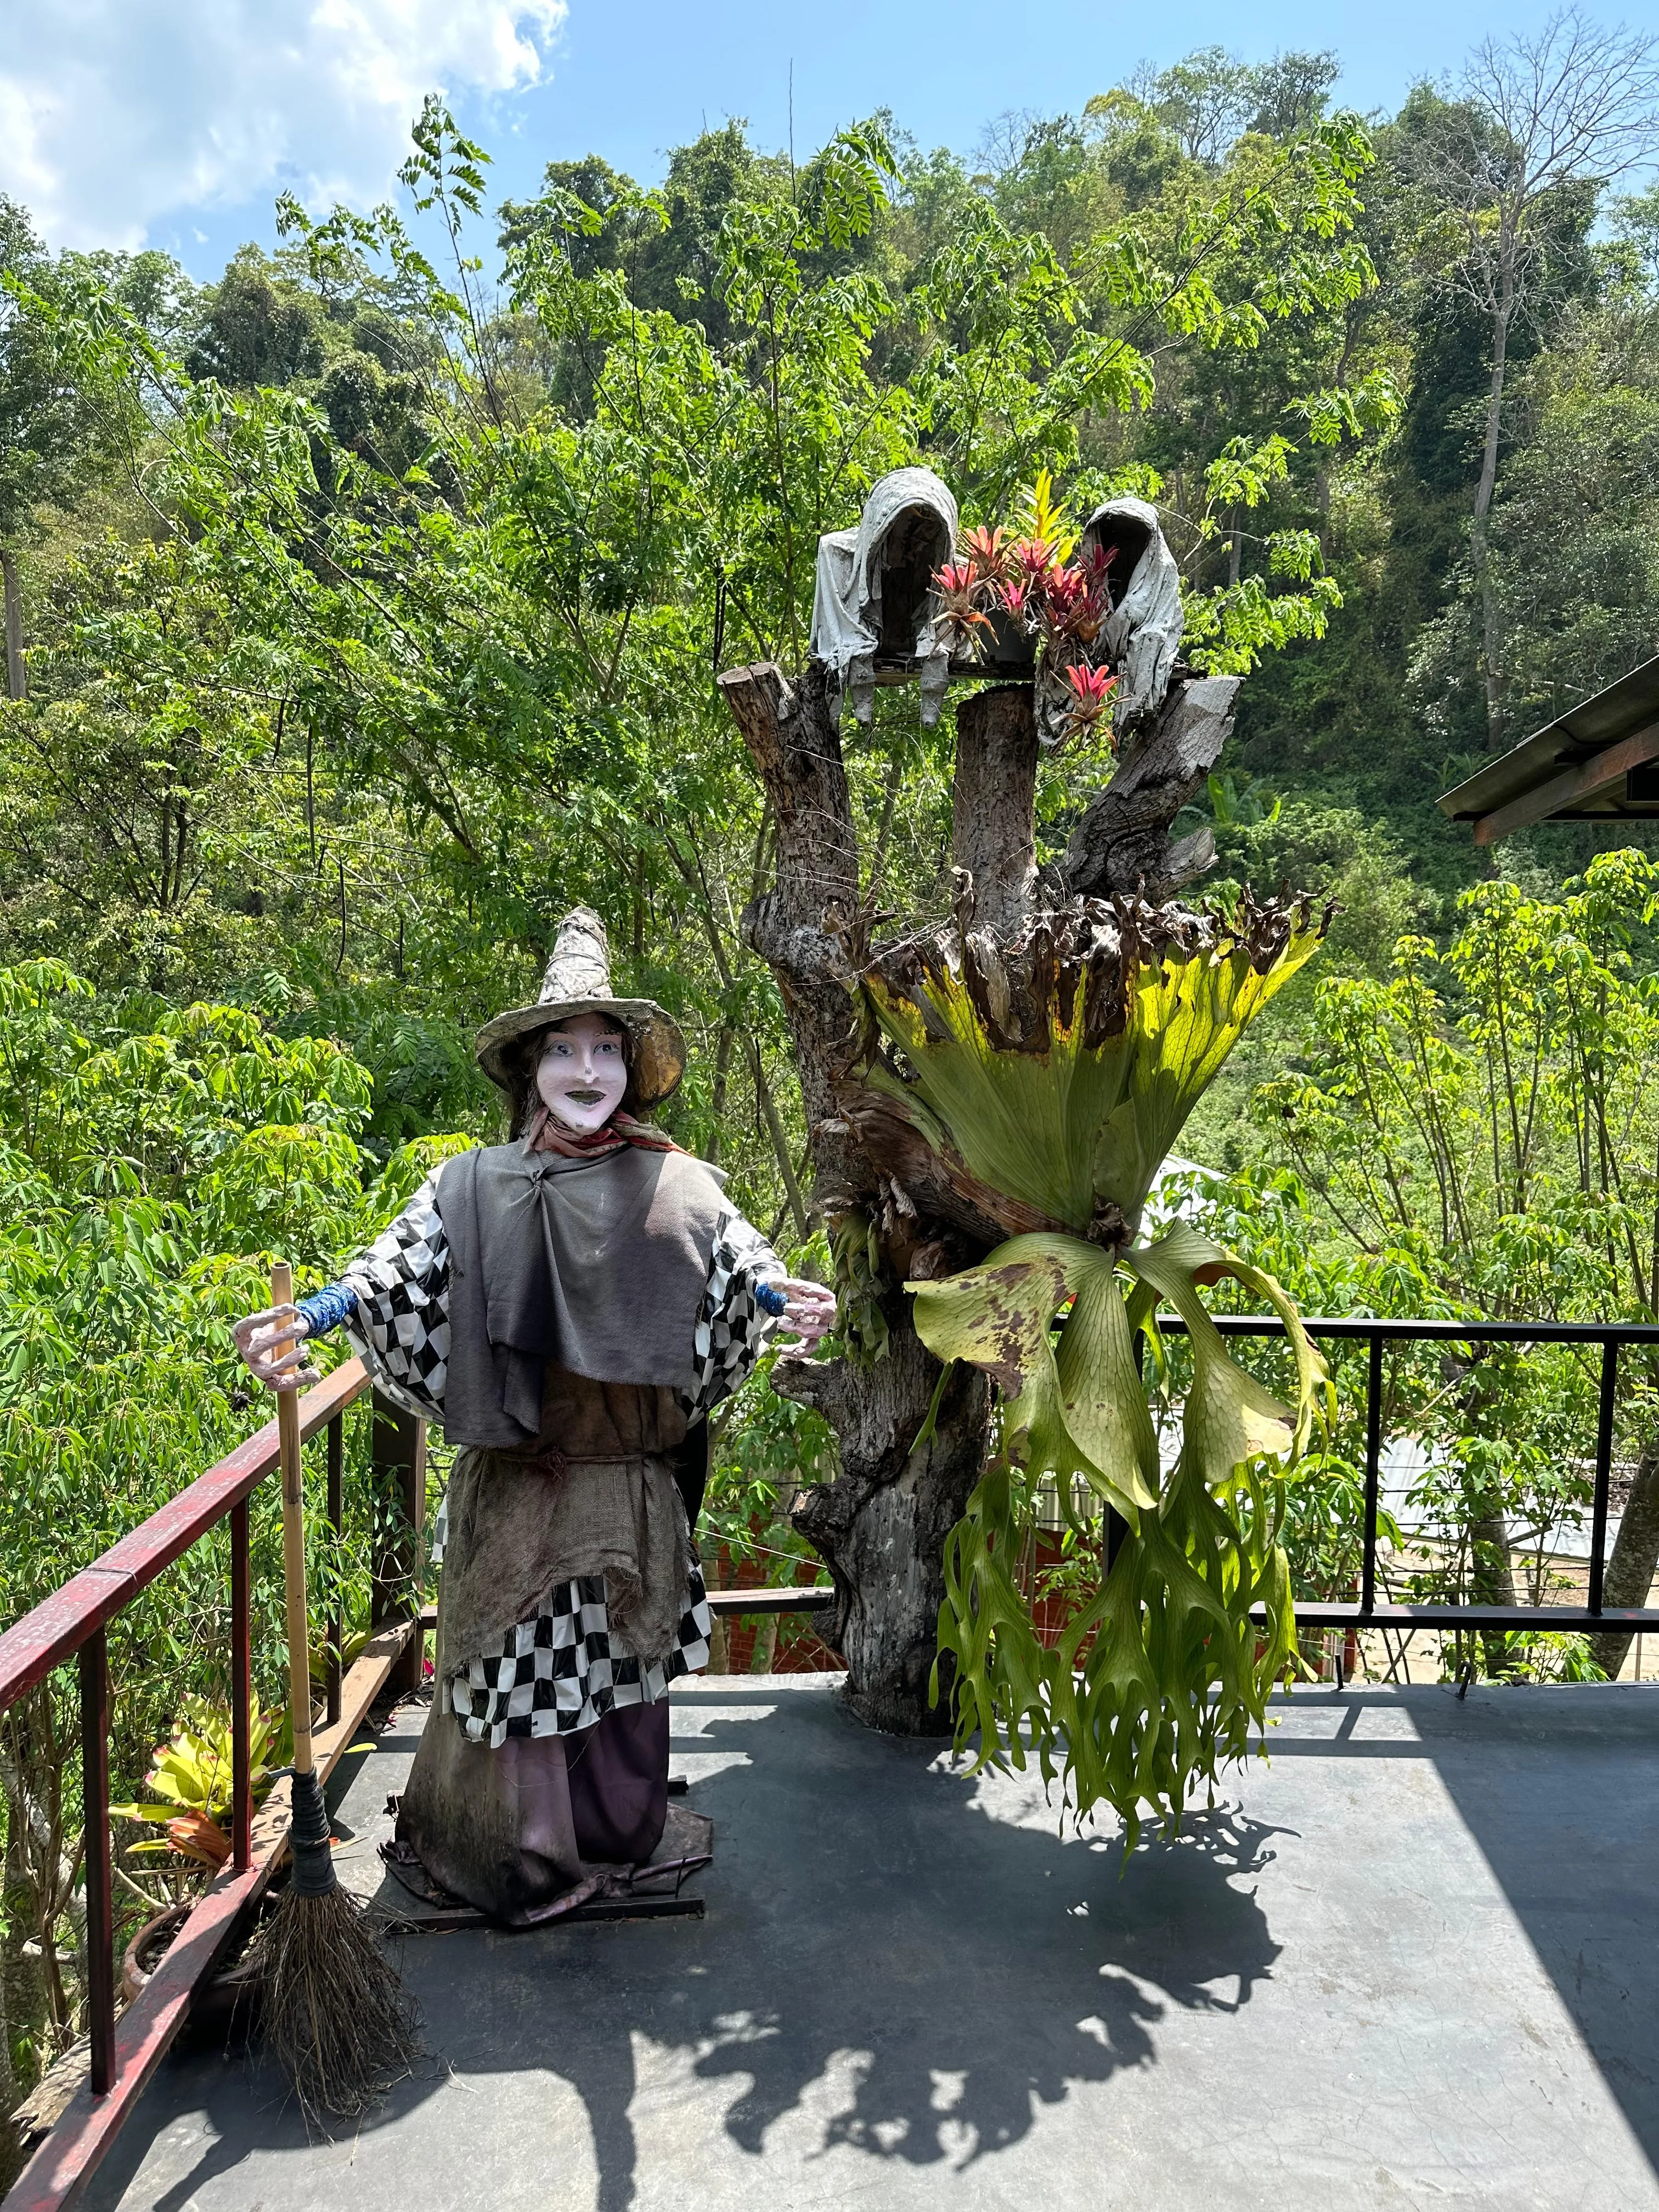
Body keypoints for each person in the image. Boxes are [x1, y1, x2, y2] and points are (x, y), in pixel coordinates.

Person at [233, 908, 834, 1923]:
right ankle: (525, 1858)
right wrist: (315, 1317)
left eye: (606, 1049)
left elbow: (742, 1264)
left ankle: (618, 1835)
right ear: (530, 1069)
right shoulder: (472, 1186)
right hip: (517, 1492)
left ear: (631, 1068)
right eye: (563, 1049)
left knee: (623, 1668)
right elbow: (391, 1275)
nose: (586, 1071)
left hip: (628, 1489)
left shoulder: (681, 1186)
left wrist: (787, 1301)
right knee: (520, 1679)